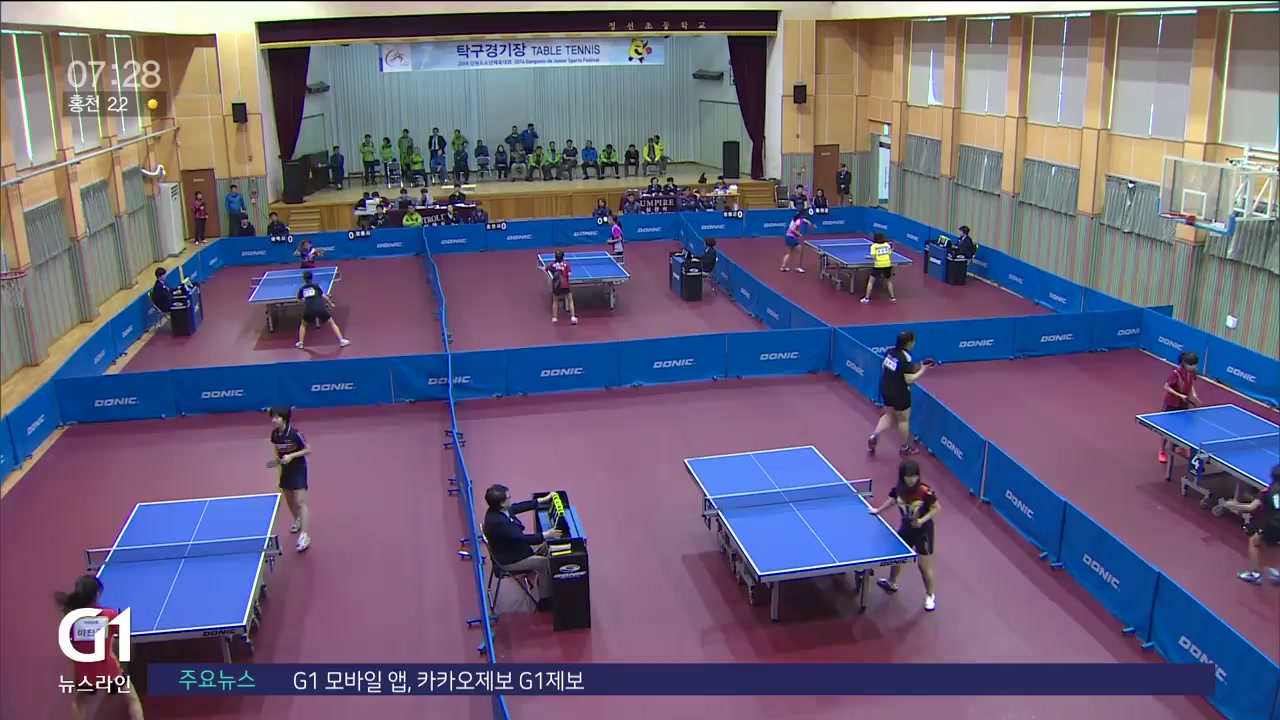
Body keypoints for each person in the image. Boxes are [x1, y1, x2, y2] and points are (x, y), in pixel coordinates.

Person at [55, 575, 146, 720]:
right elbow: (123, 636)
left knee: (80, 703)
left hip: (84, 672)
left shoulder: (71, 618)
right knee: (131, 698)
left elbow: (71, 642)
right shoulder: (109, 615)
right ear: (97, 594)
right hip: (109, 672)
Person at [868, 458, 941, 611]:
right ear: (902, 476)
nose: (911, 479)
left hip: (923, 531)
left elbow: (936, 508)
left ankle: (930, 596)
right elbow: (893, 501)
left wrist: (921, 521)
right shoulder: (899, 490)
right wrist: (878, 511)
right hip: (907, 527)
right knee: (898, 556)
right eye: (908, 476)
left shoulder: (924, 492)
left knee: (923, 566)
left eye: (914, 476)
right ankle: (892, 582)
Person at [481, 484, 563, 606]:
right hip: (509, 560)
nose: (511, 498)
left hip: (514, 549)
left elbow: (518, 507)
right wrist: (546, 535)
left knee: (547, 546)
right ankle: (545, 601)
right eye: (508, 498)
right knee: (544, 563)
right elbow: (521, 539)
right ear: (502, 503)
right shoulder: (498, 523)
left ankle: (544, 581)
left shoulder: (497, 510)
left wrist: (542, 500)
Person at [869, 331, 928, 456]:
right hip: (900, 392)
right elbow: (909, 379)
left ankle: (875, 435)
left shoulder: (889, 352)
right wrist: (923, 370)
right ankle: (904, 447)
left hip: (886, 388)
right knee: (903, 420)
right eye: (913, 341)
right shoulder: (906, 357)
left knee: (888, 415)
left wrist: (915, 367)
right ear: (908, 343)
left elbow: (889, 368)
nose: (914, 343)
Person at [1222, 466, 1280, 585]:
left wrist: (1232, 505)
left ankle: (1255, 575)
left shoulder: (1266, 492)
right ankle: (1277, 574)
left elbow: (1250, 507)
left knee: (1253, 542)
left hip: (1274, 523)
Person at [267, 407, 313, 552]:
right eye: (273, 417)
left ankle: (304, 535)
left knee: (300, 502)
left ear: (284, 419)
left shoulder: (295, 433)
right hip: (285, 470)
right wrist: (278, 460)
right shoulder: (275, 434)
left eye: (277, 417)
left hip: (298, 469)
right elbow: (277, 449)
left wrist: (291, 456)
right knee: (289, 500)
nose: (274, 420)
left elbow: (308, 449)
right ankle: (298, 520)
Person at [1159, 351, 1202, 463]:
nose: (1195, 367)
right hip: (1172, 403)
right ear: (1185, 364)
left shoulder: (1192, 372)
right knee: (1167, 428)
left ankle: (1182, 448)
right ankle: (1162, 450)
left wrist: (1194, 394)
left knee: (1183, 426)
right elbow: (1166, 386)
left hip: (1184, 403)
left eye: (1196, 364)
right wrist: (1179, 395)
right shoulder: (1176, 373)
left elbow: (1191, 382)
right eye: (1192, 365)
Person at [294, 269, 350, 350]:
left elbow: (299, 300)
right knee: (332, 323)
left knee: (303, 325)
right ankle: (342, 340)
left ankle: (301, 343)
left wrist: (306, 300)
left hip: (309, 309)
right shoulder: (316, 286)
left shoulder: (301, 289)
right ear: (311, 278)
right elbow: (323, 296)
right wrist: (331, 303)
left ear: (303, 279)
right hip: (320, 308)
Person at [861, 231, 897, 304]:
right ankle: (892, 298)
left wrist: (869, 257)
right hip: (887, 265)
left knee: (870, 281)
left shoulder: (874, 246)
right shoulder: (887, 245)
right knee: (889, 281)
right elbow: (890, 255)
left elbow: (874, 256)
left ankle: (866, 298)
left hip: (878, 265)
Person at [546, 249, 577, 325]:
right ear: (563, 257)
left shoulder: (552, 265)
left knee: (555, 301)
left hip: (556, 286)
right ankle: (573, 318)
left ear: (555, 257)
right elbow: (569, 274)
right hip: (565, 285)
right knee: (570, 300)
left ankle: (554, 318)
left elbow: (546, 269)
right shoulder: (566, 264)